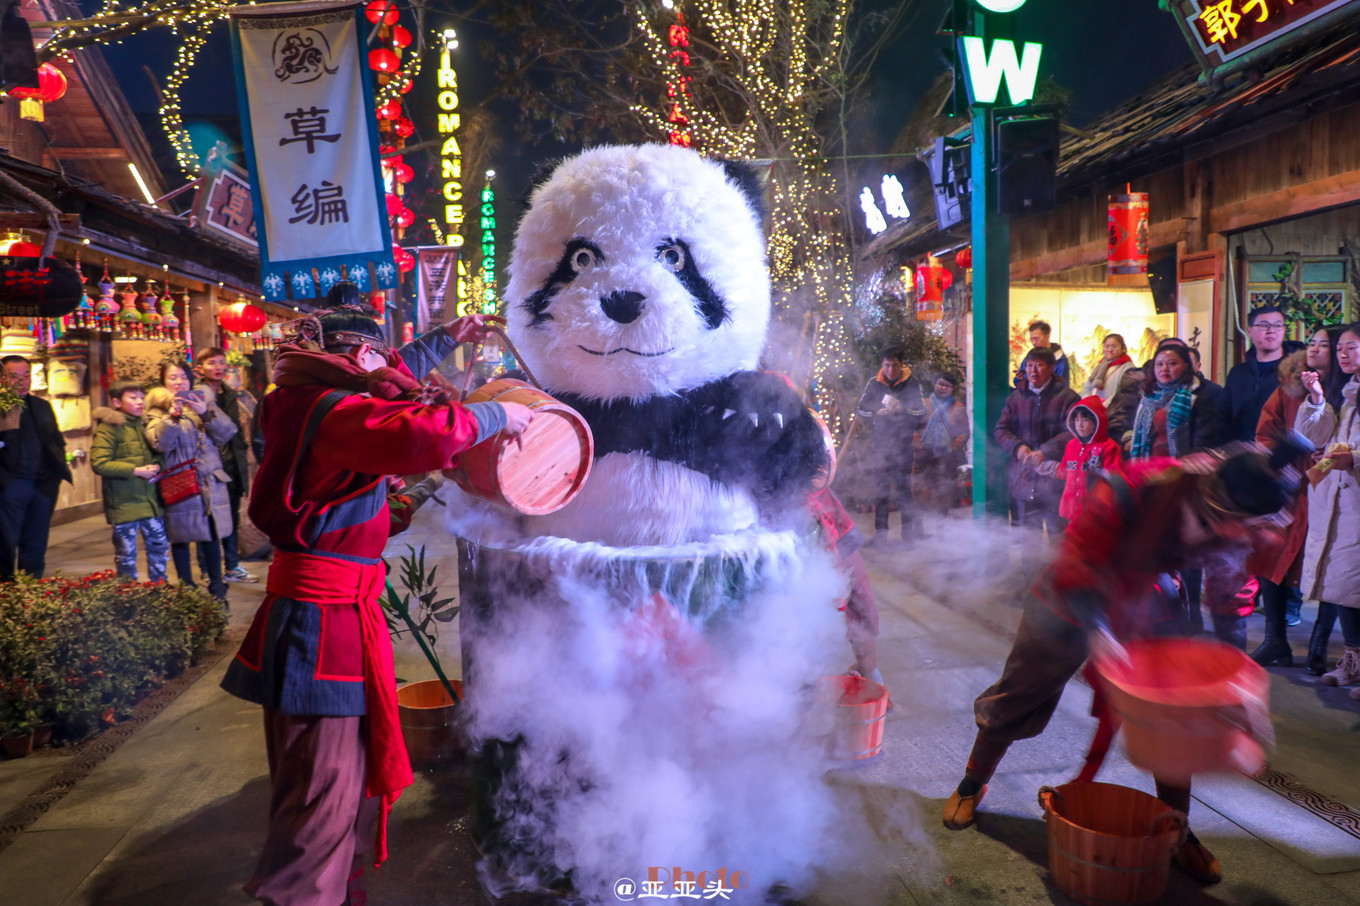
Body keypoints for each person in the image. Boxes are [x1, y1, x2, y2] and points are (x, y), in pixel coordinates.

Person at [219, 305, 533, 906]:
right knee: (322, 792)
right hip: (322, 622)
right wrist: (499, 412)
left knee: (346, 782)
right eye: (376, 357)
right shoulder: (331, 410)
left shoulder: (312, 393)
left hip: (333, 607)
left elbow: (389, 383)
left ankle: (338, 891)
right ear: (354, 358)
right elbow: (422, 432)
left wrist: (445, 339)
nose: (387, 368)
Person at [942, 441, 1308, 886]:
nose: (1234, 530)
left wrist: (1232, 674)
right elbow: (1078, 556)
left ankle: (1177, 828)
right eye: (1229, 520)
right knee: (1019, 692)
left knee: (1177, 715)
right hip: (1072, 592)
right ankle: (971, 782)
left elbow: (1231, 581)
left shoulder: (1242, 515)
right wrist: (1099, 632)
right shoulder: (1140, 486)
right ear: (1212, 492)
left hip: (1147, 599)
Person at [1251, 328, 1346, 668]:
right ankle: (1274, 640)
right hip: (1293, 487)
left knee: (1333, 566)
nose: (1317, 349)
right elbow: (1265, 434)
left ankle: (1320, 644)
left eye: (1326, 344)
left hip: (1340, 487)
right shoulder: (1290, 386)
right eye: (1314, 343)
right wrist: (1284, 463)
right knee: (1271, 553)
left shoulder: (1350, 391)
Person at [1296, 322, 1360, 694]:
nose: (1343, 354)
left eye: (1351, 347)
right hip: (1340, 505)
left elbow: (1348, 451)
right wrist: (1318, 399)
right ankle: (1353, 660)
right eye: (1341, 349)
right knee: (1344, 588)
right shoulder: (1348, 394)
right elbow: (1317, 437)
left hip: (1352, 503)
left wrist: (1351, 457)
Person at [145, 361, 237, 603]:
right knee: (181, 538)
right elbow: (160, 444)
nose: (179, 382)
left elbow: (227, 432)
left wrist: (205, 412)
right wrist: (172, 417)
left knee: (211, 536)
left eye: (183, 377)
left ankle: (218, 589)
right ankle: (188, 592)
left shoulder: (203, 404)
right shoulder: (156, 411)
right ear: (163, 382)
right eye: (172, 377)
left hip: (209, 481)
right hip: (181, 483)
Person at [0, 354, 71, 580]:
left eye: (26, 375)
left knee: (37, 540)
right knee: (5, 541)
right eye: (14, 376)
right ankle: (7, 592)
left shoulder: (42, 405)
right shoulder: (2, 406)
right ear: (3, 379)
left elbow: (56, 440)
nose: (22, 381)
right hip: (10, 486)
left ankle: (32, 590)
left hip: (43, 485)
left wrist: (56, 476)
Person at [90, 380, 168, 583]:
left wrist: (158, 465)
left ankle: (161, 595)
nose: (140, 402)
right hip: (124, 504)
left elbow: (159, 451)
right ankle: (128, 599)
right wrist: (136, 471)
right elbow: (99, 463)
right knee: (126, 559)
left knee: (160, 551)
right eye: (133, 398)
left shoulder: (145, 424)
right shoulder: (109, 428)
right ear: (117, 402)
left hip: (151, 503)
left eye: (142, 398)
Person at [994, 347, 1078, 534]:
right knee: (1027, 544)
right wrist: (1017, 447)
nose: (1033, 370)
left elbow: (1074, 431)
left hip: (1055, 482)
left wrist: (1045, 451)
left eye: (1039, 365)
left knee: (1060, 541)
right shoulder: (1016, 397)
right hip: (1022, 481)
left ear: (1052, 368)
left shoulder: (1067, 397)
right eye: (1029, 365)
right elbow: (1001, 429)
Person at [196, 347, 257, 584]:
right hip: (208, 466)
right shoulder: (197, 396)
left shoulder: (231, 395)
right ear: (200, 369)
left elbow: (237, 434)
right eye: (212, 363)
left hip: (231, 464)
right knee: (208, 518)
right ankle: (206, 567)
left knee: (231, 517)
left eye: (222, 363)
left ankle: (232, 566)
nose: (219, 367)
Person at [855, 348, 926, 544]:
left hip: (903, 445)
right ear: (882, 365)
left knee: (904, 491)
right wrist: (877, 412)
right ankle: (880, 535)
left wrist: (902, 409)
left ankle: (908, 536)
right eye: (887, 365)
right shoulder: (874, 384)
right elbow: (862, 408)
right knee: (881, 491)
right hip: (881, 445)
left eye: (895, 364)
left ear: (901, 364)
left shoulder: (912, 384)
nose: (890, 369)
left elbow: (920, 412)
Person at [1218, 305, 1302, 443]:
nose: (1271, 331)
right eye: (1264, 325)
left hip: (1279, 453)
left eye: (1278, 325)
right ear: (1250, 331)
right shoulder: (1238, 373)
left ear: (1284, 330)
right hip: (1242, 453)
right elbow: (1223, 416)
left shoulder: (1295, 371)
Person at [1038, 395, 1123, 523]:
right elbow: (1064, 471)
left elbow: (1114, 480)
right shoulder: (1071, 445)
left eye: (1085, 420)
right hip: (1070, 507)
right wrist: (1046, 467)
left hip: (1095, 510)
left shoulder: (1109, 447)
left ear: (1096, 421)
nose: (1080, 425)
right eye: (1077, 420)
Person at [1129, 343, 1221, 459]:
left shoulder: (1197, 396)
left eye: (1172, 364)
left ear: (1186, 366)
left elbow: (1204, 439)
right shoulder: (1148, 397)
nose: (1164, 369)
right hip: (1149, 467)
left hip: (1183, 468)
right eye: (1159, 364)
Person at [913, 372, 970, 515]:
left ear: (953, 388)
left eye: (948, 386)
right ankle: (919, 529)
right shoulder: (923, 404)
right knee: (920, 491)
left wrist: (953, 447)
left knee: (944, 492)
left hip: (946, 458)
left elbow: (964, 432)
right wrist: (918, 443)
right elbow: (912, 426)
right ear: (935, 384)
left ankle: (941, 528)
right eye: (940, 384)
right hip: (924, 455)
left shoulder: (958, 408)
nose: (943, 388)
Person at [1081, 333, 1135, 404]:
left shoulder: (1128, 367)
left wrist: (1104, 405)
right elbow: (1088, 385)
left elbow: (1124, 392)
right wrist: (1087, 402)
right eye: (1107, 346)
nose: (1110, 349)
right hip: (1093, 409)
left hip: (1112, 410)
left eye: (1114, 346)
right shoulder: (1101, 365)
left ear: (1123, 348)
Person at [1013, 320, 1069, 387]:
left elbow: (1063, 385)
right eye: (1032, 339)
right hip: (1030, 396)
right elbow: (1019, 382)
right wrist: (1019, 379)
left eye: (1036, 339)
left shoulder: (1060, 359)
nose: (1033, 342)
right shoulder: (1030, 357)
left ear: (1047, 336)